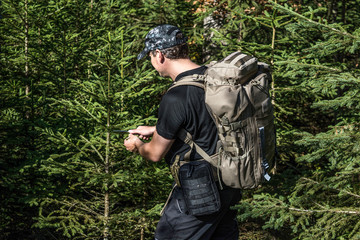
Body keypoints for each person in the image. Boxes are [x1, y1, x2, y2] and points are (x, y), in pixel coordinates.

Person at [124, 24, 242, 240]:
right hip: (229, 183)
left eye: (150, 56)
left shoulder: (176, 96)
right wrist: (157, 129)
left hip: (200, 192)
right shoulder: (213, 78)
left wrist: (137, 145)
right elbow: (208, 121)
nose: (152, 63)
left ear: (159, 55)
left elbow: (154, 154)